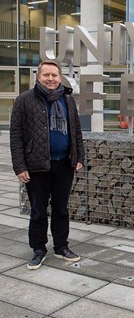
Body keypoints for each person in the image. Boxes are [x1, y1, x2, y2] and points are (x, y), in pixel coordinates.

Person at [10, 60, 85, 270]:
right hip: (36, 165)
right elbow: (16, 136)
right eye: (46, 75)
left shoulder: (68, 100)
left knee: (61, 208)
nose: (50, 79)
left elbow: (76, 130)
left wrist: (79, 157)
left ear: (60, 77)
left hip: (64, 164)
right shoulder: (24, 100)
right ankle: (38, 249)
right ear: (38, 77)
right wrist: (20, 166)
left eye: (54, 75)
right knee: (38, 210)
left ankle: (61, 246)